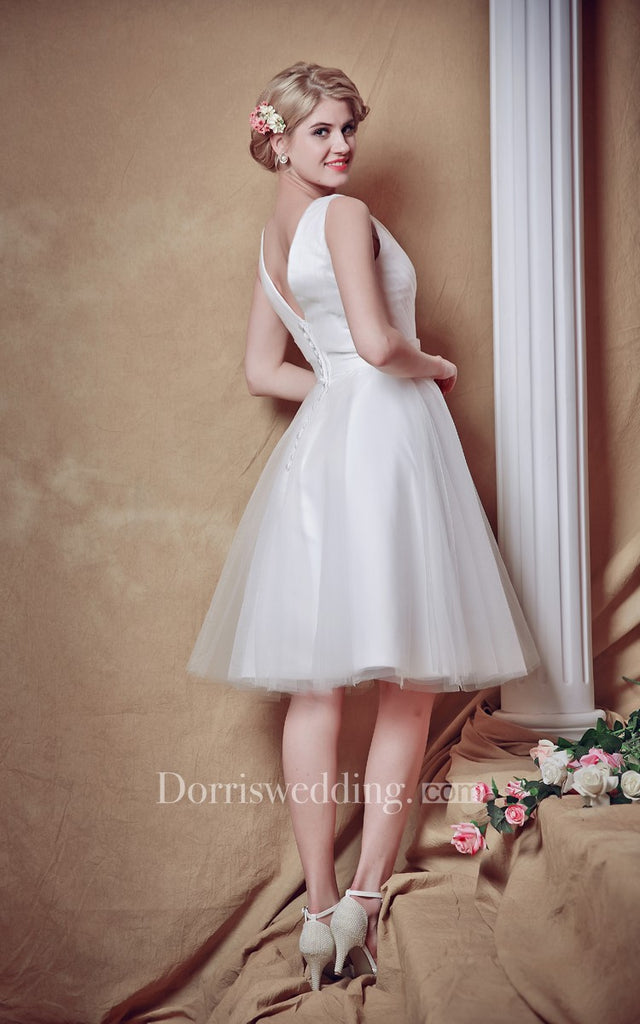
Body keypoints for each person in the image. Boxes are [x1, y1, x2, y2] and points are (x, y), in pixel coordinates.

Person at [187, 62, 538, 991]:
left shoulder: (274, 238)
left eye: (349, 129)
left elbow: (265, 370)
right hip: (386, 444)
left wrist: (338, 386)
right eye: (321, 131)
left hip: (326, 448)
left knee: (316, 692)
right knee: (409, 685)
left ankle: (317, 910)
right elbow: (381, 345)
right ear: (279, 140)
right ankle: (364, 902)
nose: (342, 146)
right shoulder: (343, 216)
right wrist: (439, 368)